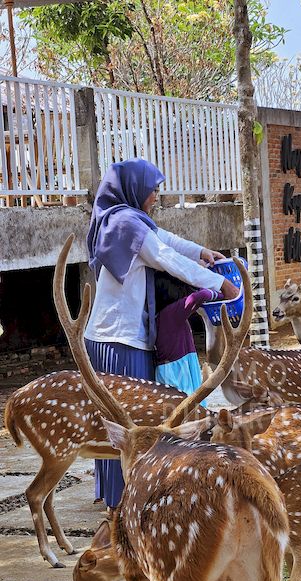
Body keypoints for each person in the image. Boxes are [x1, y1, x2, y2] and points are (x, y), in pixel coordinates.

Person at [84, 158, 239, 510]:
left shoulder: (128, 220)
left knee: (131, 419)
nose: (156, 196)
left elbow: (164, 240)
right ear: (136, 189)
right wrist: (220, 284)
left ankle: (127, 494)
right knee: (126, 422)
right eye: (153, 190)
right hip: (117, 340)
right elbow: (165, 257)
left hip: (122, 336)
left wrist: (201, 251)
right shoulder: (124, 223)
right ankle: (121, 501)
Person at [155, 287, 223, 400]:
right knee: (187, 408)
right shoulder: (171, 312)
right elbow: (199, 296)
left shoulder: (165, 314)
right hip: (177, 370)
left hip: (178, 365)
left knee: (191, 407)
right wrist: (222, 294)